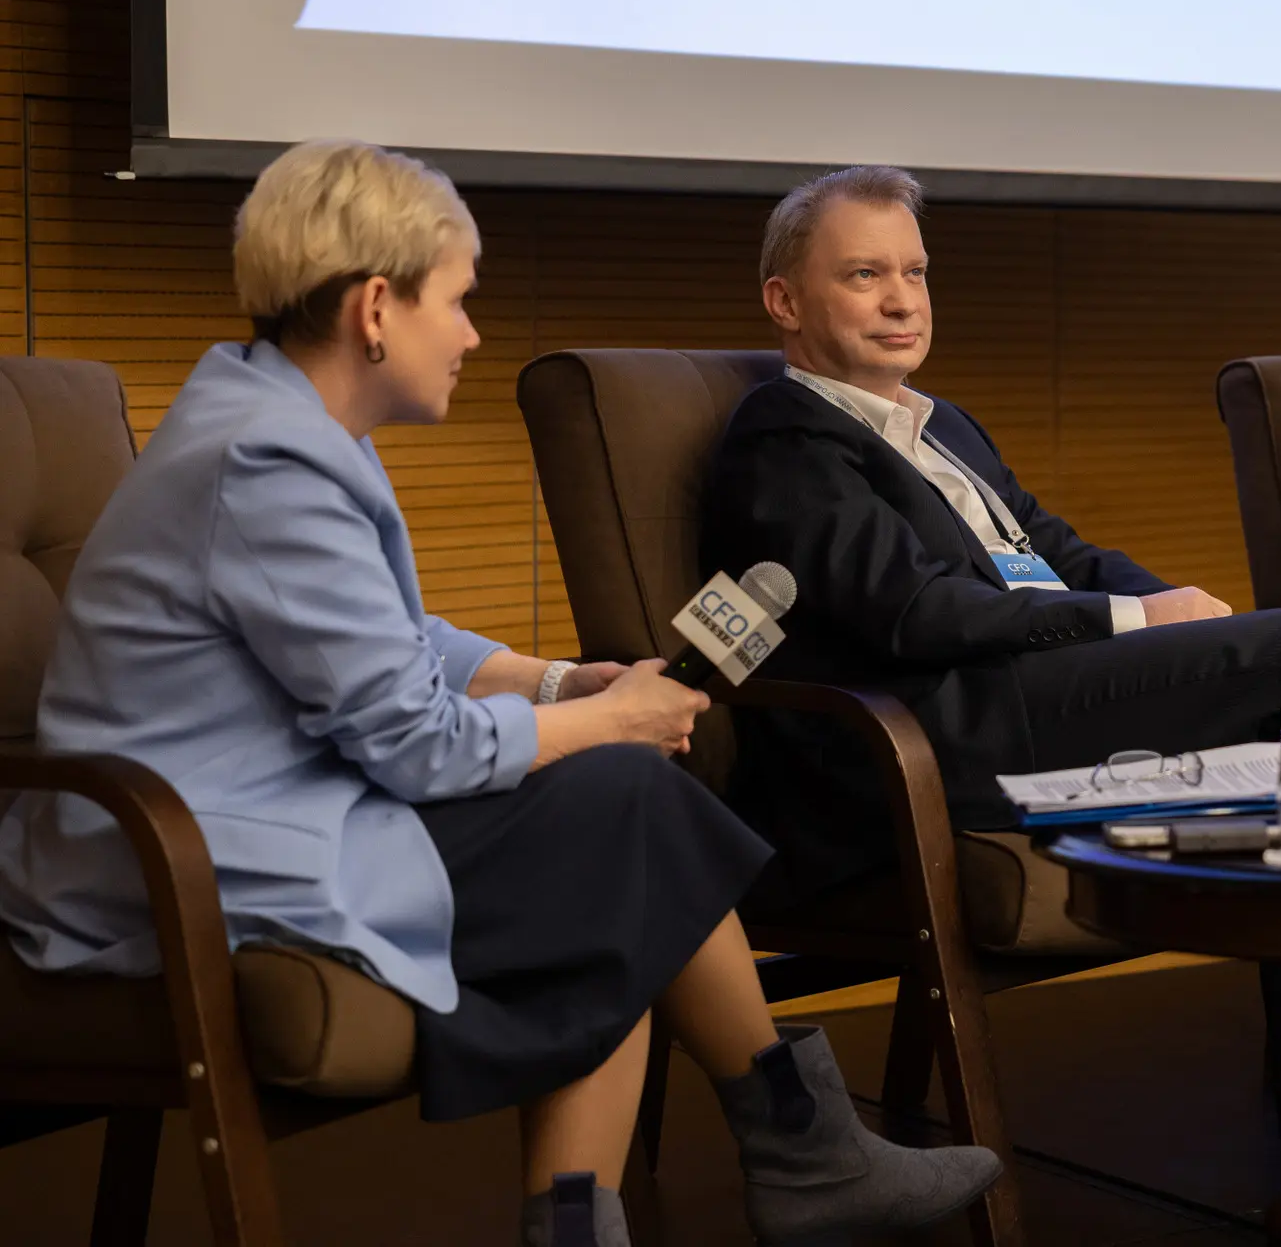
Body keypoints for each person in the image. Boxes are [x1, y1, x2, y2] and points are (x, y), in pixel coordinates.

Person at [0, 141, 1000, 1247]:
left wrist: (557, 679)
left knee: (617, 839)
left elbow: (390, 639)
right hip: (181, 858)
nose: (473, 334)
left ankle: (732, 1173)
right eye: (458, 301)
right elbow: (418, 745)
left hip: (263, 809)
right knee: (623, 814)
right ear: (376, 309)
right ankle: (794, 1153)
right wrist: (610, 719)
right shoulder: (269, 464)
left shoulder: (284, 423)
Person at [699, 164, 1281, 903]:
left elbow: (1057, 551)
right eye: (864, 275)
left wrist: (1178, 612)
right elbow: (914, 611)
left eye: (915, 272)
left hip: (1032, 693)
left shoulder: (946, 425)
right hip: (939, 733)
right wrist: (1136, 619)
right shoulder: (785, 435)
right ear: (785, 301)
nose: (903, 300)